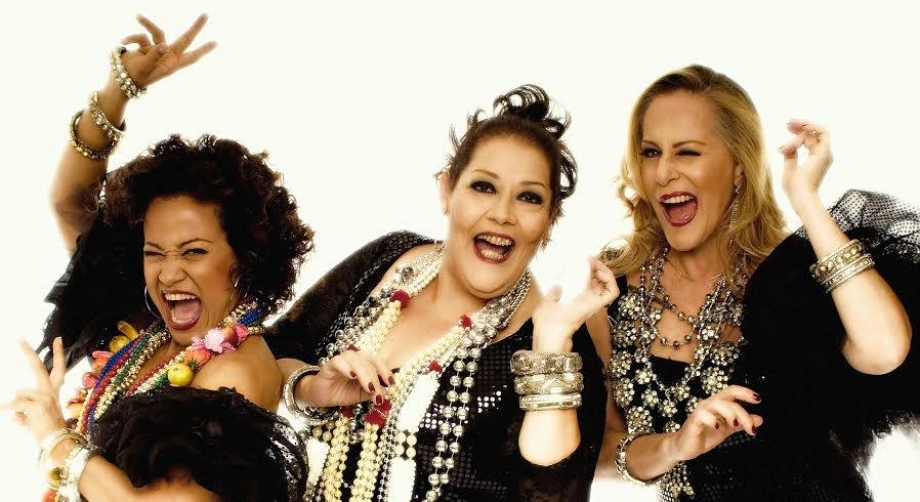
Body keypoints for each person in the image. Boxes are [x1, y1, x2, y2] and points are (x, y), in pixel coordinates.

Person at [6, 15, 311, 501]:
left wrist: (55, 438)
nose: (169, 273)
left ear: (247, 258)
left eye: (194, 252)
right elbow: (70, 202)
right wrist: (119, 91)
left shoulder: (234, 372)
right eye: (154, 253)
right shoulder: (148, 335)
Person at [268, 84, 616, 501]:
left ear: (549, 221)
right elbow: (267, 354)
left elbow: (554, 491)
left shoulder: (557, 345)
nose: (502, 214)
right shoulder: (391, 258)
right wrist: (310, 387)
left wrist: (550, 346)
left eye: (529, 197)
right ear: (447, 190)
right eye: (484, 187)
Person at [593, 64, 920, 501]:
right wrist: (675, 445)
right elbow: (601, 452)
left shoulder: (790, 276)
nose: (663, 172)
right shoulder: (610, 291)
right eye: (651, 152)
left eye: (687, 152)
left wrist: (806, 199)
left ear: (738, 168)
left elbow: (885, 351)